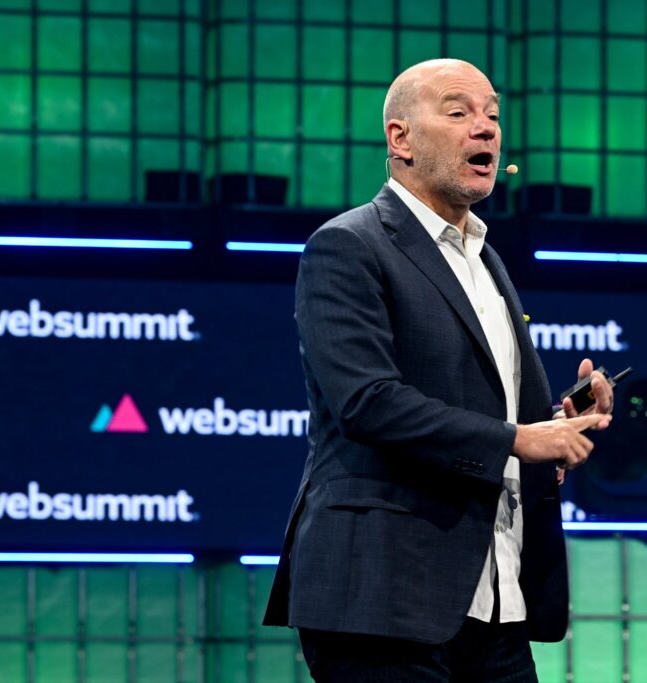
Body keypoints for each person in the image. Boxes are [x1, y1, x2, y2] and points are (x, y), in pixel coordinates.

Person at [263, 58, 614, 682]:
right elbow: (367, 401)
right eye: (458, 112)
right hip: (383, 598)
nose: (485, 129)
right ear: (400, 138)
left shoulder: (488, 261)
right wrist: (517, 439)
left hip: (496, 598)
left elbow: (490, 410)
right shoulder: (349, 246)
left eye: (493, 115)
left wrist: (559, 424)